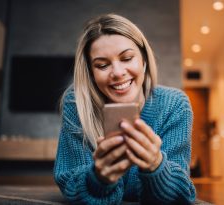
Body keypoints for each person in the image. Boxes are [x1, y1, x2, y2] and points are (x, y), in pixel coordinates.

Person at [54, 13, 196, 204]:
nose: (118, 73)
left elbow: (179, 195)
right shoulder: (77, 103)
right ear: (91, 73)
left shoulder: (174, 105)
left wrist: (156, 165)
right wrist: (99, 179)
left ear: (144, 61)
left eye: (127, 58)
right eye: (102, 65)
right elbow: (70, 184)